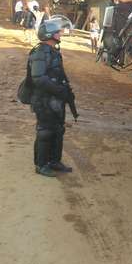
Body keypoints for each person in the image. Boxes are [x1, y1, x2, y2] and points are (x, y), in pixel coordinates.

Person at [29, 18, 77, 177]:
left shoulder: (53, 51)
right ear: (50, 34)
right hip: (44, 100)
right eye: (57, 31)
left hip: (55, 100)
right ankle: (41, 165)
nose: (60, 33)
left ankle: (54, 161)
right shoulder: (40, 53)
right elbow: (38, 78)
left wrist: (64, 92)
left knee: (58, 130)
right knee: (45, 131)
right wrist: (58, 90)